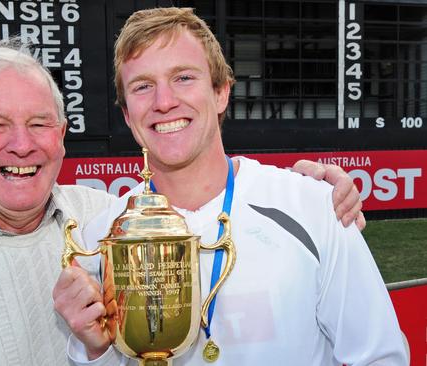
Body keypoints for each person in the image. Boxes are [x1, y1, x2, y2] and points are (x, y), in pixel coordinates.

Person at [0, 40, 362, 364]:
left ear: (60, 135)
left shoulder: (103, 216)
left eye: (39, 124)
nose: (22, 144)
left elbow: (201, 182)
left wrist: (308, 188)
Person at [52, 7, 407, 366]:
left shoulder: (313, 206)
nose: (164, 102)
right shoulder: (102, 238)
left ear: (221, 92)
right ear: (128, 115)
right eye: (143, 86)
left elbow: (381, 356)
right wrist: (94, 350)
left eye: (183, 78)